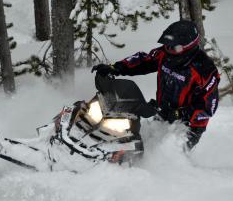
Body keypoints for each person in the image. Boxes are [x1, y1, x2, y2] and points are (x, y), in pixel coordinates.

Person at [91, 20, 220, 150]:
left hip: (188, 124)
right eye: (167, 45)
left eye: (174, 47)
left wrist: (180, 114)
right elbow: (143, 61)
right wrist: (115, 68)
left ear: (187, 47)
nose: (168, 49)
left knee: (166, 154)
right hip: (163, 112)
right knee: (144, 146)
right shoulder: (165, 54)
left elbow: (208, 108)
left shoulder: (205, 70)